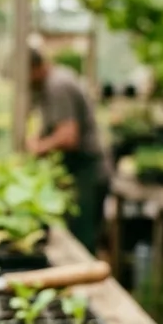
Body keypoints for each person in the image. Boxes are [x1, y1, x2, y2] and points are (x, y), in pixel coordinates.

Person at [26, 47, 108, 251]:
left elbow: (68, 136)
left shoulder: (57, 86)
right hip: (82, 172)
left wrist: (38, 148)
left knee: (82, 240)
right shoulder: (52, 83)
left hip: (87, 172)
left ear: (34, 67)